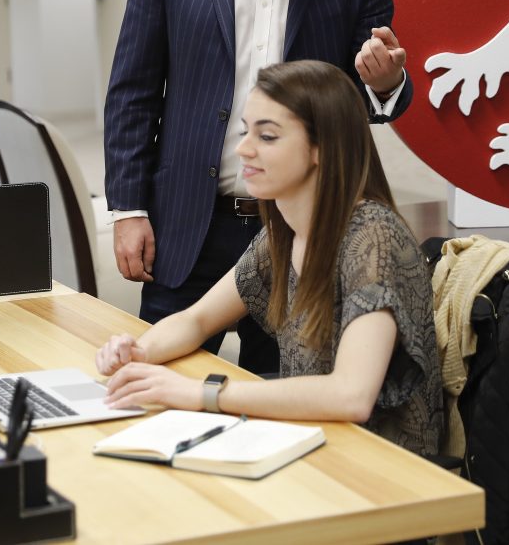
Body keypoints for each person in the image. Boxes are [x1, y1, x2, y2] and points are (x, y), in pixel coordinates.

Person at [104, 0, 413, 375]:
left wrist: (385, 81)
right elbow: (133, 92)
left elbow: (370, 104)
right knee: (157, 382)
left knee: (292, 400)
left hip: (304, 233)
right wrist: (128, 208)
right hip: (191, 223)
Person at [97, 61, 441, 457]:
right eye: (245, 131)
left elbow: (351, 395)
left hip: (378, 467)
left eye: (267, 136)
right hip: (311, 444)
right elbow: (197, 320)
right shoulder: (284, 231)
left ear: (321, 148)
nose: (243, 149)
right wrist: (138, 352)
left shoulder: (373, 239)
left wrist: (202, 393)